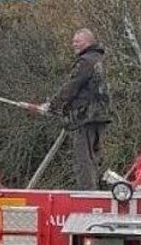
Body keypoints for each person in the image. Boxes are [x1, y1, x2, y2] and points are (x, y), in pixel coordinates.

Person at [33, 29, 112, 190]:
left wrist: (51, 105)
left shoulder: (86, 62)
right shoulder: (100, 60)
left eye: (78, 41)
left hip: (85, 118)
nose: (74, 44)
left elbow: (72, 87)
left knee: (83, 160)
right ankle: (99, 190)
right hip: (100, 117)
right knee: (95, 158)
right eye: (73, 41)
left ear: (89, 42)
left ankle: (87, 196)